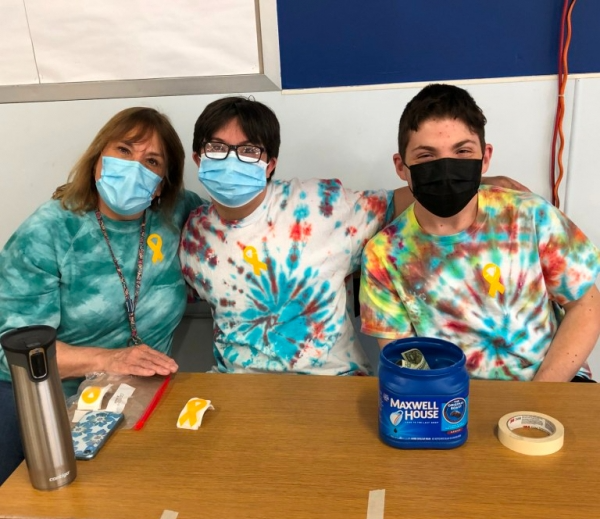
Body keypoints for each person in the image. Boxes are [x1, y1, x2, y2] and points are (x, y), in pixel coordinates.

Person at [180, 96, 527, 377]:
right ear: (198, 158)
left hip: (332, 385)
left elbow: (396, 202)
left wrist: (473, 181)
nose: (231, 161)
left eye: (248, 151)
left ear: (270, 164)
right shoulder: (191, 232)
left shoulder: (319, 206)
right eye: (217, 148)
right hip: (233, 388)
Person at [0, 107, 202, 486]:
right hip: (43, 397)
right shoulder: (48, 230)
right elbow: (18, 349)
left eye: (152, 161)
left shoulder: (175, 214)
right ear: (98, 161)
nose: (135, 166)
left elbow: (234, 223)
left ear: (160, 184)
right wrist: (111, 359)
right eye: (124, 150)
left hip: (140, 394)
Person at [359, 83, 600, 381]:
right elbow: (405, 358)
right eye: (426, 156)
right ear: (401, 166)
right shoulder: (383, 256)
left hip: (554, 384)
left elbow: (585, 305)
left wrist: (540, 398)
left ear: (485, 158)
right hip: (450, 402)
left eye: (462, 151)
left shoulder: (531, 217)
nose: (446, 168)